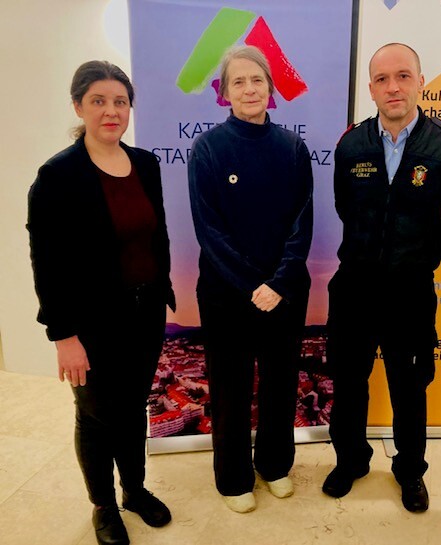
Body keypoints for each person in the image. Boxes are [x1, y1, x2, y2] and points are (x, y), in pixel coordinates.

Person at [323, 42, 441, 512]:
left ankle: (410, 470)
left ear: (420, 82)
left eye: (403, 76)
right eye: (383, 79)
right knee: (348, 381)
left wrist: (429, 254)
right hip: (355, 286)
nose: (393, 87)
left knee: (409, 386)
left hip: (410, 290)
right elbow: (344, 206)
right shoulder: (351, 144)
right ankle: (351, 461)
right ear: (370, 88)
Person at [27, 61, 175, 545]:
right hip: (90, 323)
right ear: (78, 107)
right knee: (94, 416)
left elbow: (157, 236)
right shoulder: (58, 176)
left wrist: (163, 290)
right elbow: (46, 263)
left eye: (120, 102)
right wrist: (63, 336)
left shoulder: (146, 164)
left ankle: (134, 489)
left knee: (132, 408)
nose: (111, 111)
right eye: (99, 101)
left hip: (145, 313)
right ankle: (104, 506)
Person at [188, 45, 313, 514]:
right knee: (230, 388)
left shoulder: (292, 148)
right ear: (224, 93)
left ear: (270, 87)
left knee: (280, 384)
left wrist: (277, 283)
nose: (249, 89)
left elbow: (303, 222)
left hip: (284, 292)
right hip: (226, 294)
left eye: (257, 79)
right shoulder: (208, 149)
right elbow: (209, 229)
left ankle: (275, 465)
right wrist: (250, 285)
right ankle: (234, 478)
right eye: (238, 82)